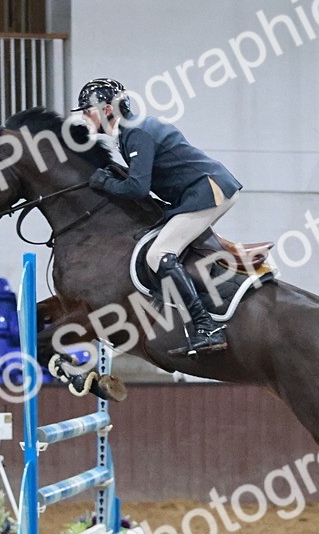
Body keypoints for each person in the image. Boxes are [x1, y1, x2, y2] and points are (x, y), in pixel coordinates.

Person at [73, 78, 242, 356]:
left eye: (86, 110)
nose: (83, 117)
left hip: (209, 191)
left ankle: (206, 326)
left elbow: (138, 187)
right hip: (199, 192)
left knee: (159, 253)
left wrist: (104, 183)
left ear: (106, 110)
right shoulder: (129, 133)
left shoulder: (136, 132)